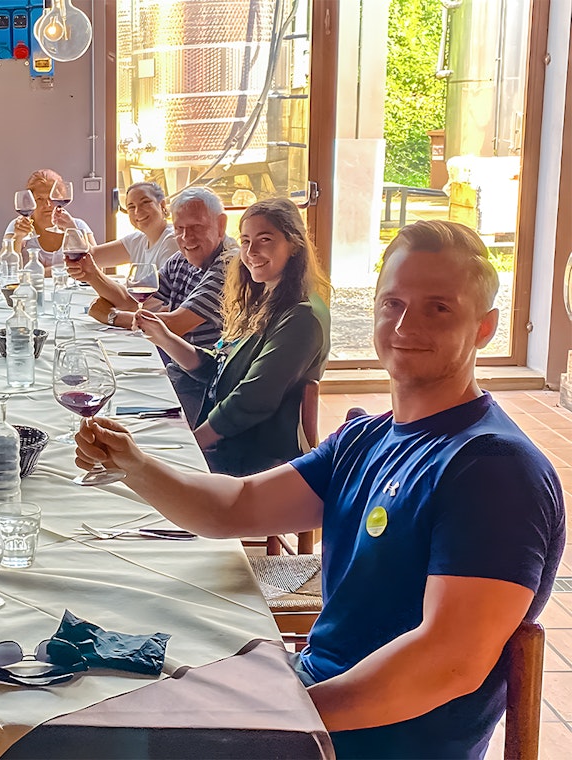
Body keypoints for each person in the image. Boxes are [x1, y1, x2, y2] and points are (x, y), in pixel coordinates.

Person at [75, 220, 565, 758]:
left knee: (101, 741)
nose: (405, 325)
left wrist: (273, 718)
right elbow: (235, 508)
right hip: (309, 698)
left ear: (485, 327)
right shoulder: (365, 438)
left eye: (438, 308)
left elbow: (445, 663)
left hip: (373, 741)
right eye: (392, 303)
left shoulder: (492, 469)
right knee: (94, 689)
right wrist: (134, 465)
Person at [135, 197, 329, 476]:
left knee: (138, 466)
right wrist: (164, 337)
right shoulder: (266, 298)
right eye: (246, 241)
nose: (251, 252)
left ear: (294, 244)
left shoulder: (302, 317)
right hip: (231, 442)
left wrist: (194, 443)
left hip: (254, 460)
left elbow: (252, 399)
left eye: (265, 240)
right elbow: (218, 367)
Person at [69, 186, 238, 423]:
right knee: (97, 383)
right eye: (180, 229)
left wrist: (111, 317)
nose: (187, 238)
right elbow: (135, 304)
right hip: (175, 366)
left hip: (205, 386)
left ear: (221, 225)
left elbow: (175, 326)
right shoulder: (183, 257)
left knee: (107, 404)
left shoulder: (229, 265)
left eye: (197, 227)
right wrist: (92, 275)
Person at [87, 181, 179, 269]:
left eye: (145, 202)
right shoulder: (138, 240)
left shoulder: (171, 241)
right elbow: (92, 257)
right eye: (131, 207)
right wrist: (72, 223)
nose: (137, 211)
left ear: (162, 205)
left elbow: (161, 285)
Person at [5, 168, 98, 254]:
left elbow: (98, 265)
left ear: (61, 197)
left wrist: (73, 231)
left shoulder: (78, 226)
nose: (48, 204)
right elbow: (5, 264)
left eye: (52, 198)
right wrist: (18, 238)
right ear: (30, 200)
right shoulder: (19, 225)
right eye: (40, 198)